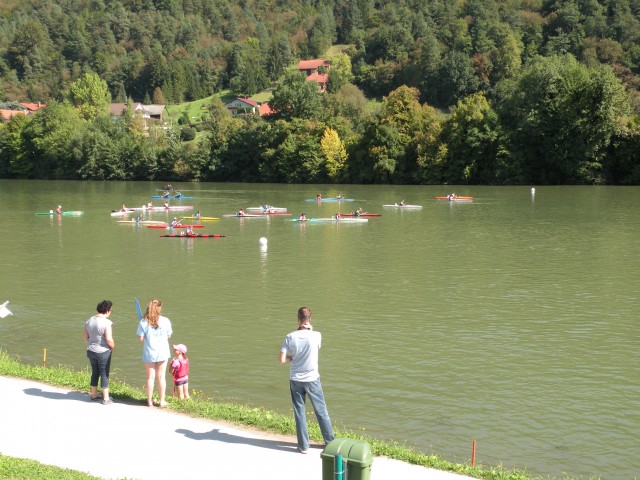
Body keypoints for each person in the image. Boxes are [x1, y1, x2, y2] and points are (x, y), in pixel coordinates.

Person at [279, 307, 335, 454]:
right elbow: (316, 348)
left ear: (297, 319)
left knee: (299, 412)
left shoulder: (290, 337)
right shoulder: (317, 335)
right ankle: (330, 442)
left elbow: (282, 359)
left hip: (295, 379)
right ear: (309, 320)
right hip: (312, 379)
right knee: (321, 411)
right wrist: (311, 330)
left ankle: (303, 446)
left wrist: (293, 358)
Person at [136, 299, 173, 407]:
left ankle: (149, 402)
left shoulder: (143, 322)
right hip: (163, 352)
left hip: (149, 352)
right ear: (159, 308)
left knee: (150, 378)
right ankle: (162, 401)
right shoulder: (166, 321)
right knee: (161, 377)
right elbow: (169, 335)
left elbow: (141, 339)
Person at [83, 300, 115, 405]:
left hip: (91, 350)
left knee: (95, 372)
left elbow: (85, 337)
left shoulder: (89, 320)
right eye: (111, 310)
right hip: (103, 351)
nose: (111, 312)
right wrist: (113, 346)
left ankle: (94, 395)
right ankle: (106, 398)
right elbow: (109, 339)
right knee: (104, 373)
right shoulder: (106, 322)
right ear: (107, 310)